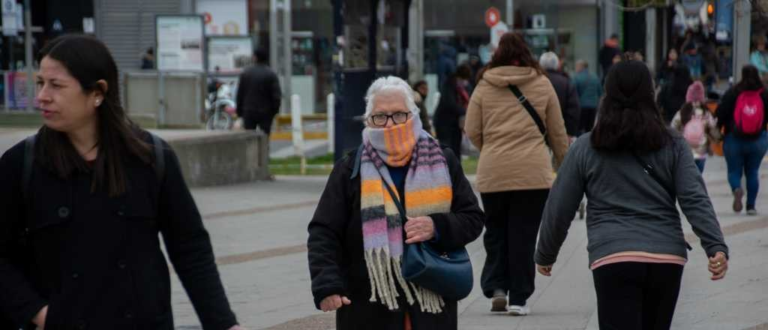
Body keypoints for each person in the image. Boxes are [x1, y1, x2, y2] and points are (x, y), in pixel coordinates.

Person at [0, 35, 242, 330]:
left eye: (56, 85)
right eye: (40, 83)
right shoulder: (22, 164)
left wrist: (223, 324)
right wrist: (39, 313)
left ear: (98, 92)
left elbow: (190, 249)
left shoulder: (151, 158)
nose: (42, 96)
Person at [535, 60, 729, 330]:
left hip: (613, 257)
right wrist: (715, 246)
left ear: (607, 94)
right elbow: (694, 197)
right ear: (651, 94)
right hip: (666, 258)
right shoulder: (673, 143)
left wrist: (546, 253)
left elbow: (560, 206)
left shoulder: (586, 147)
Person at [307, 76, 484, 330]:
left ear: (413, 116)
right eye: (381, 116)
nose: (390, 124)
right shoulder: (350, 169)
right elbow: (323, 232)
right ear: (369, 120)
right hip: (368, 306)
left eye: (399, 115)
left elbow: (473, 218)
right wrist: (327, 284)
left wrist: (437, 227)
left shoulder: (443, 160)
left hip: (431, 303)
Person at [464, 32, 569, 316]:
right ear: (527, 54)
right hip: (532, 174)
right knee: (523, 234)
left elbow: (471, 130)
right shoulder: (542, 83)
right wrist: (564, 166)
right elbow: (558, 132)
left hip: (493, 172)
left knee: (496, 232)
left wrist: (492, 148)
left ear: (497, 54)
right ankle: (519, 298)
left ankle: (497, 287)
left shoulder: (484, 85)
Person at [715, 65, 768, 215]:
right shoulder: (764, 93)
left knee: (734, 170)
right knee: (753, 172)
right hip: (758, 139)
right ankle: (751, 206)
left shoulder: (733, 92)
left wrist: (720, 129)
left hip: (734, 138)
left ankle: (737, 188)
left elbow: (721, 112)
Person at [670, 81, 720, 173]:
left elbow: (673, 128)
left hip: (686, 152)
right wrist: (717, 140)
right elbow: (713, 128)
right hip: (701, 152)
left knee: (688, 178)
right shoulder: (705, 112)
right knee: (698, 178)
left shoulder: (683, 112)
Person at [235, 48, 282, 135]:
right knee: (264, 137)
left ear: (255, 57)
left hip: (249, 111)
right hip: (266, 112)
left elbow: (240, 95)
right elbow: (276, 96)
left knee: (249, 137)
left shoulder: (246, 73)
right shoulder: (271, 74)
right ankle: (264, 148)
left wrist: (239, 112)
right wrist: (274, 111)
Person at [433, 64, 472, 158]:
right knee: (447, 149)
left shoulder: (462, 88)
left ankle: (456, 170)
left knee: (456, 149)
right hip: (444, 124)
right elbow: (450, 104)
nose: (465, 82)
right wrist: (466, 111)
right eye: (464, 79)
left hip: (455, 125)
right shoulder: (449, 85)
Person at [540, 52, 581, 139]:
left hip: (539, 132)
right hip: (561, 131)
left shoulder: (535, 82)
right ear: (557, 65)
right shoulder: (566, 82)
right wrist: (570, 132)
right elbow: (573, 109)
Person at [572, 60, 602, 134]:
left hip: (582, 107)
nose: (575, 68)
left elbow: (574, 93)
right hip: (593, 106)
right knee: (590, 128)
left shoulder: (577, 77)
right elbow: (600, 92)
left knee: (580, 128)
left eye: (576, 66)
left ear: (581, 67)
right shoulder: (595, 77)